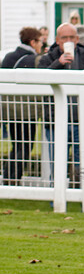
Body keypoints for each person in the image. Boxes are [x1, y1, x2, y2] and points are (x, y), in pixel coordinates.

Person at [39, 23, 84, 187]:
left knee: (83, 161)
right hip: (55, 120)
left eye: (72, 37)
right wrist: (58, 63)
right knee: (57, 160)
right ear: (58, 40)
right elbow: (40, 82)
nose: (69, 40)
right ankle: (57, 197)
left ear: (77, 39)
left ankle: (82, 197)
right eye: (64, 38)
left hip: (81, 119)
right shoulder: (47, 58)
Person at [1, 27, 44, 185]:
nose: (41, 45)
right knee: (24, 148)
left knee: (16, 146)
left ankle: (9, 178)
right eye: (40, 41)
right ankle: (12, 180)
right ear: (32, 42)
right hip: (27, 112)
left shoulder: (9, 57)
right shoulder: (33, 59)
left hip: (9, 111)